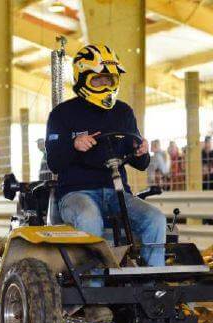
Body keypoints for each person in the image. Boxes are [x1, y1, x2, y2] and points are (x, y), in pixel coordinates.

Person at [45, 44, 166, 272]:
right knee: (90, 218)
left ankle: (153, 285)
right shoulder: (61, 114)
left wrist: (142, 151)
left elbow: (141, 164)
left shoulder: (123, 112)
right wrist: (73, 145)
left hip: (117, 193)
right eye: (98, 80)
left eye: (109, 80)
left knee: (156, 218)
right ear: (82, 78)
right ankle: (95, 292)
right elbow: (54, 163)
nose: (105, 85)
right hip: (75, 194)